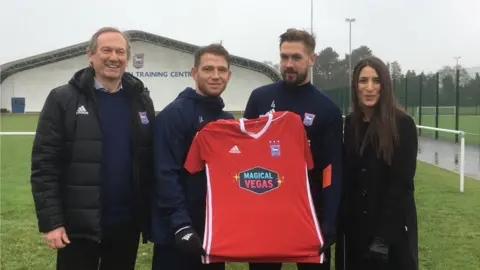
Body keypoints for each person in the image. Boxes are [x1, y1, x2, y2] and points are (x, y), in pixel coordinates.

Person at [30, 27, 155, 270]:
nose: (113, 57)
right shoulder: (62, 99)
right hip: (78, 227)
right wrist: (52, 222)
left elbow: (148, 159)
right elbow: (44, 164)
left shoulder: (140, 100)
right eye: (106, 50)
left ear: (127, 59)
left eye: (120, 52)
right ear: (90, 55)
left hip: (126, 225)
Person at [243, 28, 344, 270]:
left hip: (309, 213)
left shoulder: (327, 108)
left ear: (311, 59)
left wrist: (329, 221)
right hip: (265, 212)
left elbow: (332, 168)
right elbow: (244, 157)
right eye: (284, 57)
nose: (289, 64)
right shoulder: (259, 98)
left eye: (296, 58)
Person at [151, 43, 234, 270]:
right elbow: (165, 173)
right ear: (194, 73)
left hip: (214, 233)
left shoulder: (228, 120)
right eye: (208, 69)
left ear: (229, 75)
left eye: (221, 70)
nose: (215, 76)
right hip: (179, 236)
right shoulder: (174, 114)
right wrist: (181, 225)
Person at [340, 56, 419, 270]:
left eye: (376, 81)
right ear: (356, 86)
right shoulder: (351, 124)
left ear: (385, 86)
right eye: (363, 81)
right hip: (356, 232)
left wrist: (383, 239)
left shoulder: (402, 124)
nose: (369, 88)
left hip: (390, 236)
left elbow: (401, 185)